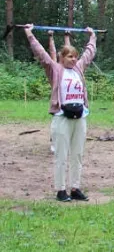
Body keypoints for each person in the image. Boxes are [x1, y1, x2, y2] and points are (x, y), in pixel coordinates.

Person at [24, 24, 97, 202]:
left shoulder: (79, 68)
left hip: (80, 116)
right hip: (62, 118)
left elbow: (89, 54)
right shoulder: (56, 70)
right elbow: (42, 54)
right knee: (61, 155)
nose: (73, 59)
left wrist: (92, 36)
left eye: (75, 57)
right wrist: (29, 34)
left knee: (77, 154)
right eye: (69, 56)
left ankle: (75, 188)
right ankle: (61, 190)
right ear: (62, 57)